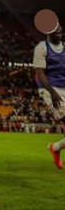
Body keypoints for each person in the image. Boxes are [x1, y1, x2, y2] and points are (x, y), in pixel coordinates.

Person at [33, 24, 65, 170]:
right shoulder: (41, 47)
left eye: (60, 32)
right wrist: (52, 92)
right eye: (55, 32)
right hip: (50, 89)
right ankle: (55, 148)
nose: (59, 34)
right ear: (48, 33)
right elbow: (40, 73)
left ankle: (55, 148)